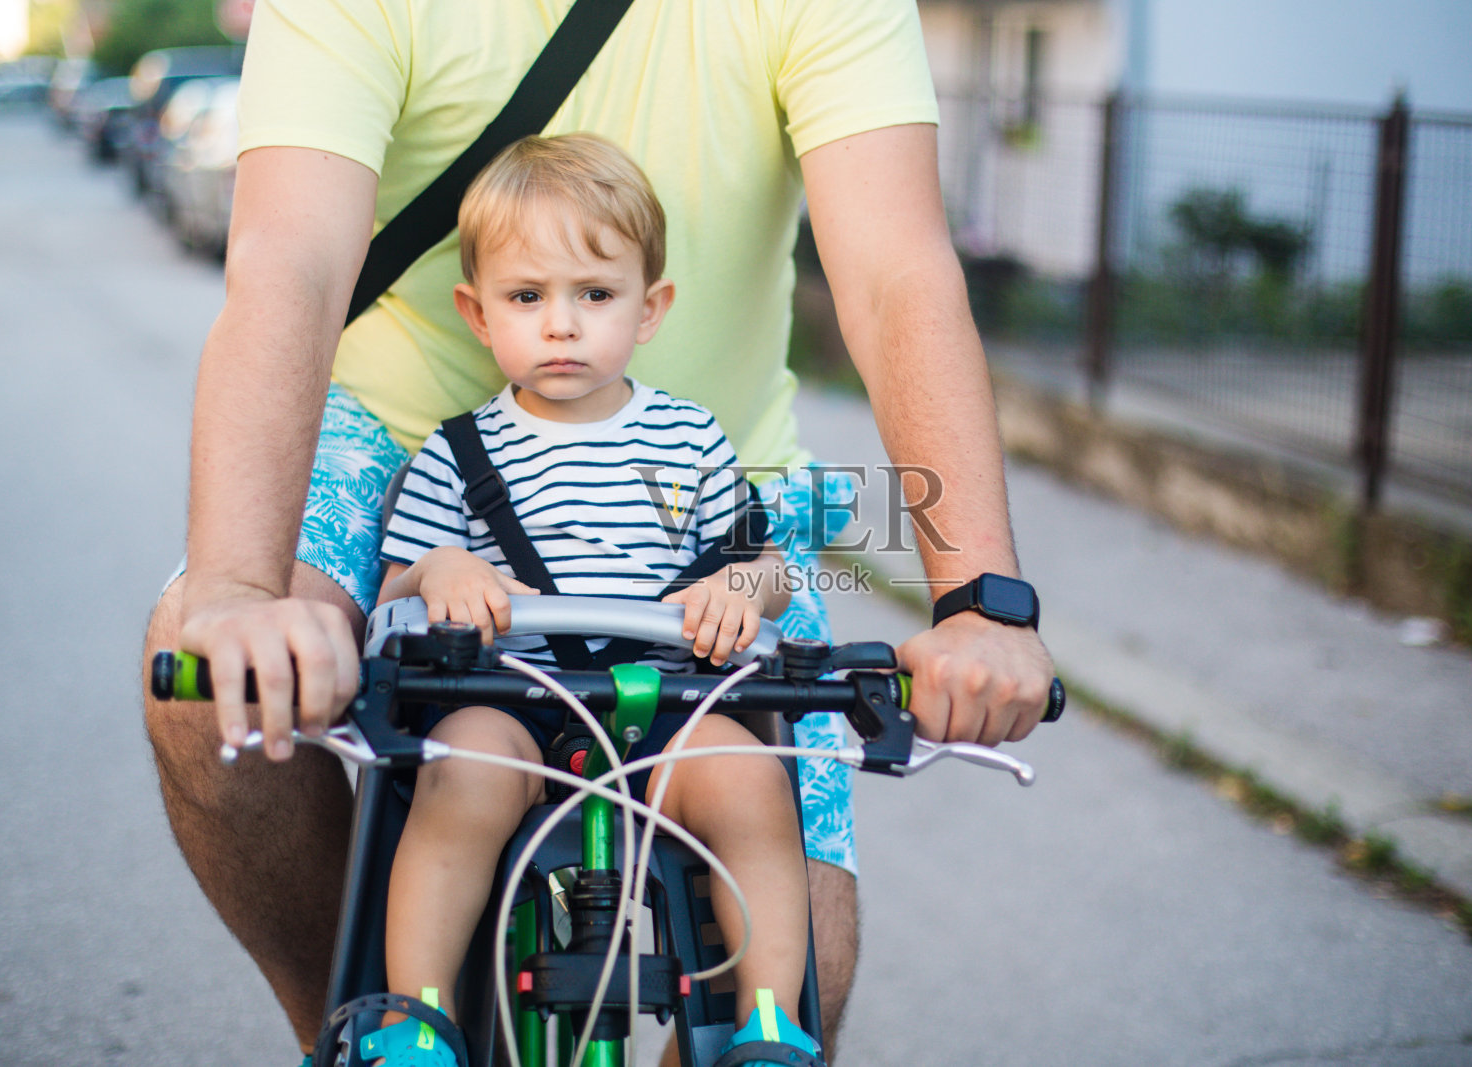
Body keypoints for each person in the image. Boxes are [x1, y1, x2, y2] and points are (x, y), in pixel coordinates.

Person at [142, 0, 1057, 1061]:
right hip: (405, 437)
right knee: (217, 680)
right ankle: (358, 1024)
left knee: (809, 966)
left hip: (715, 484)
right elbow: (287, 260)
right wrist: (236, 585)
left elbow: (899, 273)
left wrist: (979, 602)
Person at [360, 132, 818, 1066]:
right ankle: (419, 1016)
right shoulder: (457, 452)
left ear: (649, 311)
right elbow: (395, 588)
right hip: (513, 704)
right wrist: (438, 567)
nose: (561, 325)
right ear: (477, 313)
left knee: (752, 780)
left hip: (663, 709)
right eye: (528, 297)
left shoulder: (691, 439)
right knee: (462, 770)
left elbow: (766, 566)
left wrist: (742, 581)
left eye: (594, 296)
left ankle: (769, 1022)